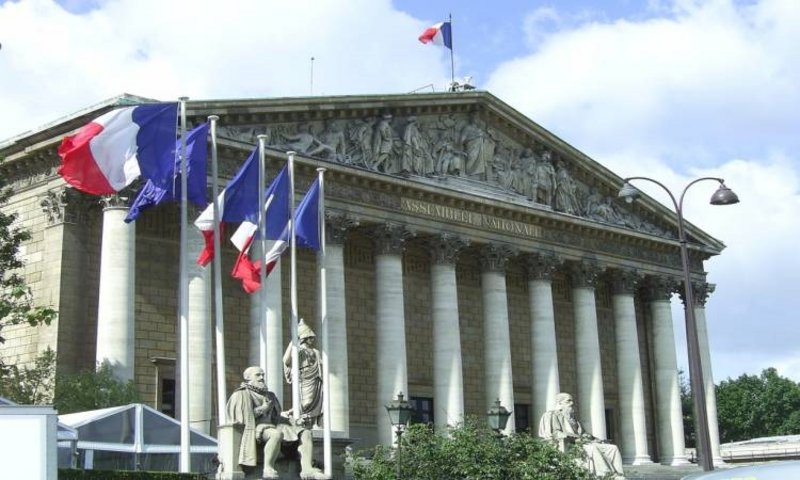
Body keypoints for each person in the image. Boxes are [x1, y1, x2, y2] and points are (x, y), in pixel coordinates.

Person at [225, 366, 324, 480]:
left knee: (305, 433)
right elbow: (241, 417)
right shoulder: (241, 394)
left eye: (263, 375)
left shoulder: (270, 395)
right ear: (247, 378)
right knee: (275, 434)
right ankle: (268, 468)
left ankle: (307, 469)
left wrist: (295, 422)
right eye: (258, 375)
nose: (262, 377)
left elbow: (277, 417)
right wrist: (263, 408)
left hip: (274, 425)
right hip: (255, 428)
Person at [539, 393, 625, 479]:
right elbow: (555, 433)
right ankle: (606, 474)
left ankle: (619, 475)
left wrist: (592, 438)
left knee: (613, 448)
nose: (572, 403)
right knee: (592, 449)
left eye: (572, 400)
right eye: (568, 401)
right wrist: (575, 438)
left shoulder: (572, 418)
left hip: (582, 443)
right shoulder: (551, 415)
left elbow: (582, 433)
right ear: (560, 403)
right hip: (569, 444)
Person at [283, 319, 323, 427]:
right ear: (304, 338)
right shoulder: (299, 350)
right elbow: (286, 360)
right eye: (309, 337)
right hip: (304, 377)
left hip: (316, 377)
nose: (312, 339)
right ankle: (291, 412)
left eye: (312, 337)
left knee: (317, 401)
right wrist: (293, 341)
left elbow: (321, 364)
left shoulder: (316, 352)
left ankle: (314, 422)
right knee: (307, 401)